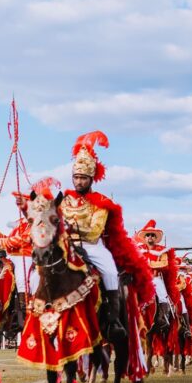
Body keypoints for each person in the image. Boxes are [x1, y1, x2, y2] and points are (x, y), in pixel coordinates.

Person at [60, 131, 155, 335]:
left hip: (92, 246)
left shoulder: (101, 202)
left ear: (91, 178)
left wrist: (71, 229)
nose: (78, 182)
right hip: (66, 246)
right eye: (76, 177)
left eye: (83, 178)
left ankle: (113, 319)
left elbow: (94, 231)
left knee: (111, 272)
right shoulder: (63, 200)